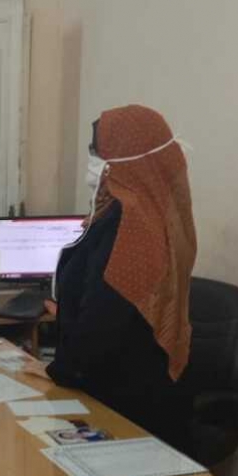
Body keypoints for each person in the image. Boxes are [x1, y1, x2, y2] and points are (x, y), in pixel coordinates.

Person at [23, 104, 196, 452]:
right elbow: (114, 299)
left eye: (96, 150)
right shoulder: (136, 213)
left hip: (125, 408)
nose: (91, 158)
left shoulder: (132, 227)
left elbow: (102, 325)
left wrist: (57, 370)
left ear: (123, 157)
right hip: (119, 386)